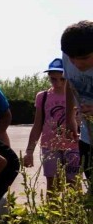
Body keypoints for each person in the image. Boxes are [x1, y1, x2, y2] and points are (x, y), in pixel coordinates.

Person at [23, 58, 79, 193]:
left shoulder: (77, 95)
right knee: (53, 186)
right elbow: (37, 125)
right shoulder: (43, 97)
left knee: (73, 185)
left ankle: (73, 214)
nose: (58, 83)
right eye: (54, 79)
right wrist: (29, 151)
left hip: (73, 146)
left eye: (63, 79)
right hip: (50, 146)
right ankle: (54, 215)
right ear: (49, 77)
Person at [62, 20, 93, 191]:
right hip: (88, 138)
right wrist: (69, 118)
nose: (77, 64)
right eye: (72, 58)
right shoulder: (69, 54)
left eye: (84, 58)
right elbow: (70, 83)